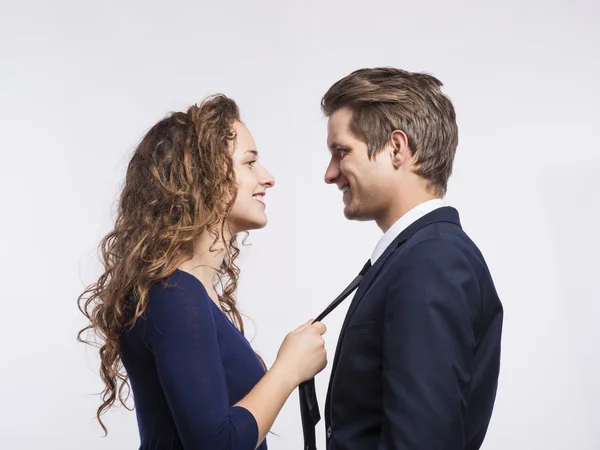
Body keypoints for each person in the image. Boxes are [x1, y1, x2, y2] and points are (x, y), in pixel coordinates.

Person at [77, 94, 327, 449]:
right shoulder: (176, 295)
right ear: (203, 176)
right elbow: (216, 444)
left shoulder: (184, 292)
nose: (268, 178)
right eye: (250, 163)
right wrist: (287, 370)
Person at [320, 68, 503, 449]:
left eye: (341, 152)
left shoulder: (431, 262)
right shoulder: (420, 255)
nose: (330, 174)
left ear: (396, 148)